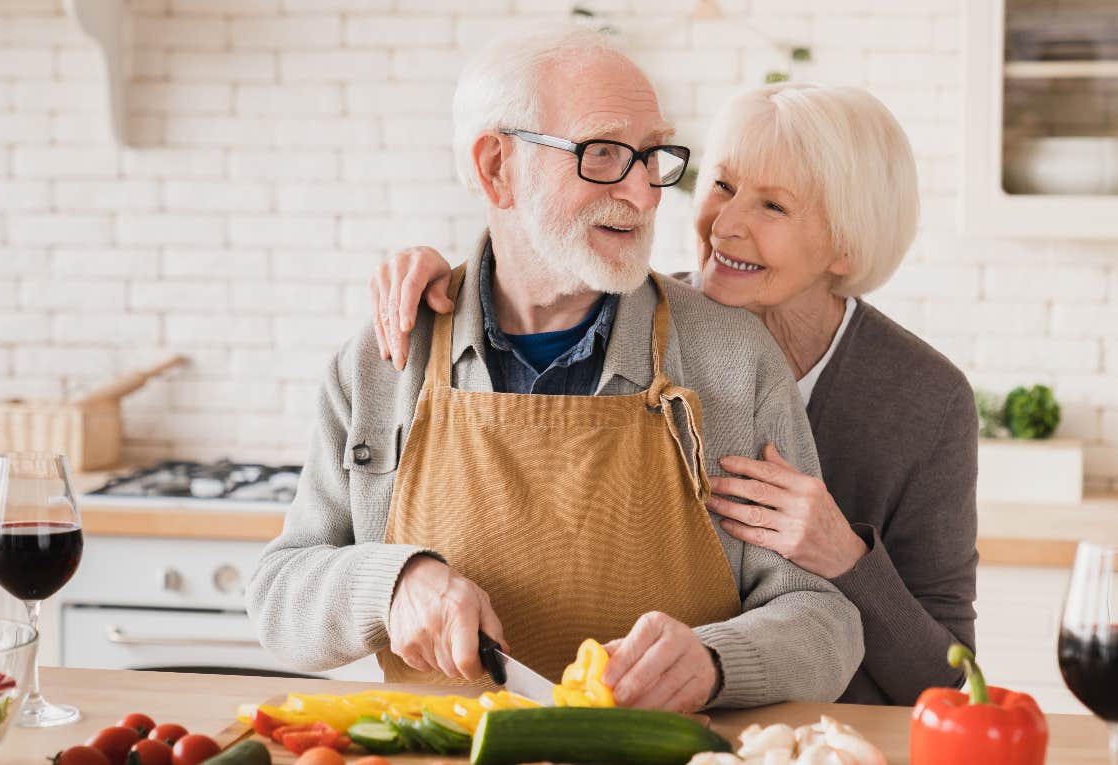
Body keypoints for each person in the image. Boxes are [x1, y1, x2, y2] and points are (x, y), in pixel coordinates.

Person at [247, 26, 862, 714]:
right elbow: (278, 596)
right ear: (495, 169)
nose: (645, 193)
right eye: (603, 154)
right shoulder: (383, 360)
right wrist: (392, 584)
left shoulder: (734, 358)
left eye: (652, 155)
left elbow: (824, 619)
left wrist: (719, 660)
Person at [370, 81, 979, 706]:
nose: (726, 226)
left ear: (847, 244)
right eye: (722, 186)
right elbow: (531, 267)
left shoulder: (928, 401)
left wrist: (846, 557)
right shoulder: (635, 319)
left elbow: (946, 679)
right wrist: (445, 280)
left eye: (773, 207)